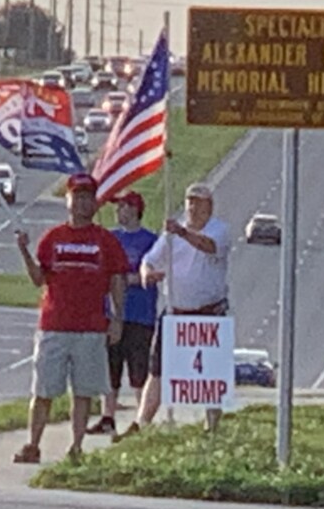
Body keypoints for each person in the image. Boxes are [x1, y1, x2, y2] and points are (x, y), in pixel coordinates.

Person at [12, 172, 128, 464]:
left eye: (88, 197)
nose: (82, 203)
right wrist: (24, 251)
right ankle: (33, 444)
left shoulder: (105, 241)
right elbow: (39, 279)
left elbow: (117, 279)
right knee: (43, 390)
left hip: (90, 327)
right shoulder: (53, 238)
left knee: (83, 391)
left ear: (95, 203)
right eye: (77, 196)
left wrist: (117, 318)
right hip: (54, 325)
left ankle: (76, 446)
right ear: (68, 200)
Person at [119, 182, 232, 439]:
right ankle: (142, 422)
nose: (192, 207)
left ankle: (211, 426)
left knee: (209, 375)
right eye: (190, 201)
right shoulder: (172, 235)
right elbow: (149, 259)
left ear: (209, 207)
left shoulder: (219, 230)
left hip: (208, 312)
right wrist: (148, 273)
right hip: (176, 311)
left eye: (199, 202)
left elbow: (209, 247)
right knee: (157, 368)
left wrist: (181, 232)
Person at [87, 192, 160, 436]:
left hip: (140, 315)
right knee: (111, 368)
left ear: (134, 209)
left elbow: (156, 271)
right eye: (117, 207)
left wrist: (130, 279)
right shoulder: (110, 238)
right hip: (113, 313)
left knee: (139, 369)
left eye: (123, 207)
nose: (118, 211)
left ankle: (142, 419)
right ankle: (108, 416)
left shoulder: (151, 240)